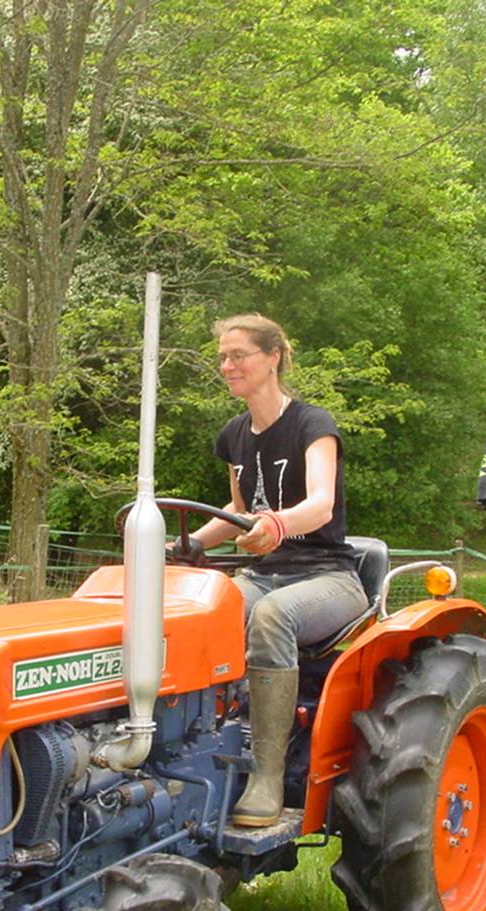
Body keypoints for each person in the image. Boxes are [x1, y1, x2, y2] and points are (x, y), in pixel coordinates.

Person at [185, 314, 367, 828]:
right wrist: (191, 543)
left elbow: (321, 505)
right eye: (222, 356)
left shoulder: (314, 425)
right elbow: (240, 511)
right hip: (266, 572)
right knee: (198, 612)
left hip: (326, 577)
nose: (227, 365)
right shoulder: (234, 436)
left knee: (271, 616)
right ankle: (192, 748)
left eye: (238, 354)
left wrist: (277, 524)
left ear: (273, 358)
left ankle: (268, 774)